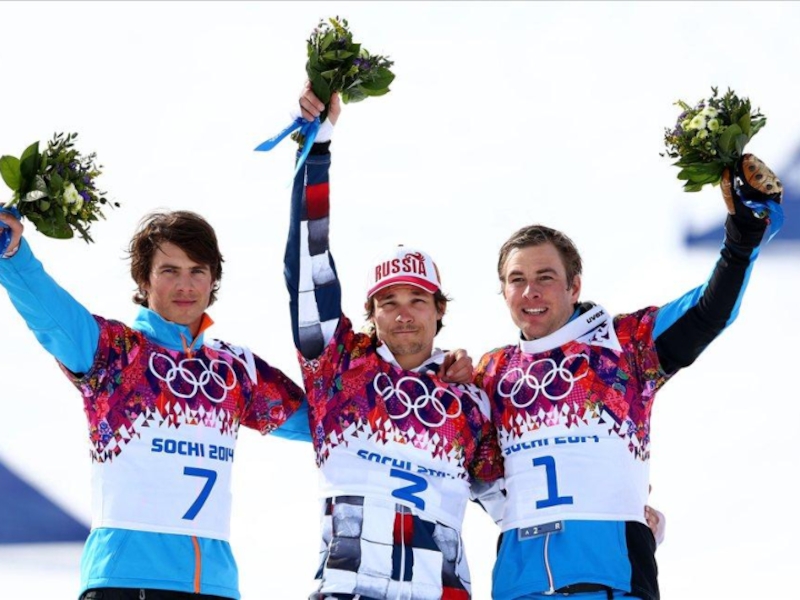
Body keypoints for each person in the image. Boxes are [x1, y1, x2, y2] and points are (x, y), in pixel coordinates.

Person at [474, 155, 782, 599]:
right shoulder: (490, 372)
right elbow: (461, 462)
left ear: (574, 286)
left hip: (612, 581)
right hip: (520, 586)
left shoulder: (623, 346)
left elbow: (708, 311)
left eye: (545, 277)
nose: (530, 291)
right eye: (516, 279)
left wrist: (742, 237)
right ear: (503, 291)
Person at [0, 209, 305, 599]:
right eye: (169, 271)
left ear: (213, 279)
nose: (185, 285)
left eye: (197, 271)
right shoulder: (115, 353)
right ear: (144, 279)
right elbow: (51, 315)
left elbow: (331, 425)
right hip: (126, 580)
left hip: (215, 585)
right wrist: (13, 255)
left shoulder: (235, 370)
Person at [284, 85, 506, 600]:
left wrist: (620, 511)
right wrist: (316, 150)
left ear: (440, 310)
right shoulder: (337, 368)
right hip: (347, 589)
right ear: (371, 313)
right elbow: (308, 266)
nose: (404, 314)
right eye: (389, 302)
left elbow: (513, 499)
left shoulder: (471, 399)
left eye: (417, 300)